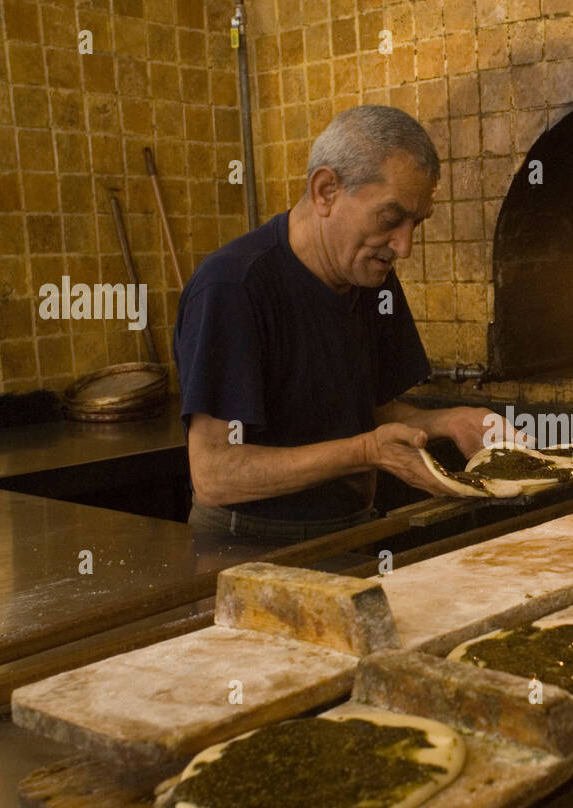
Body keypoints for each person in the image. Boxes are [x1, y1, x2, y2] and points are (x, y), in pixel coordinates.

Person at [173, 105, 513, 543]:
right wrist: (366, 451)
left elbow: (371, 410)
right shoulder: (233, 286)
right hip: (249, 544)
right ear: (326, 190)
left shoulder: (371, 277)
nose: (404, 247)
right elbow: (216, 473)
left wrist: (452, 420)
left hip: (353, 528)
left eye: (417, 224)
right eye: (391, 220)